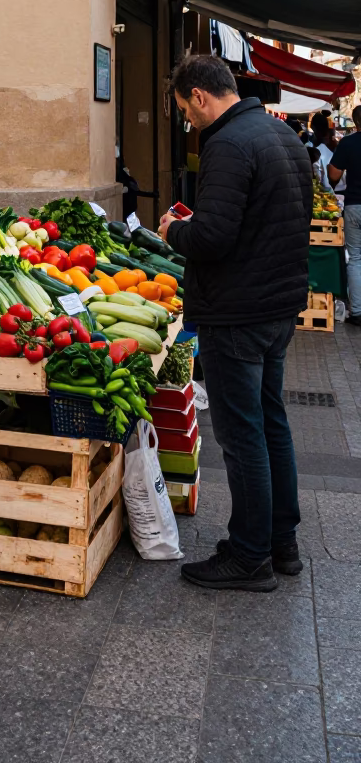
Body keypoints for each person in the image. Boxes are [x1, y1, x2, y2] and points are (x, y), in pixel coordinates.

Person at [158, 54, 312, 592]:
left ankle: (249, 556)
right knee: (272, 423)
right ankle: (281, 542)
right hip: (276, 307)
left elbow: (214, 237)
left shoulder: (226, 143)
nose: (187, 122)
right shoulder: (284, 137)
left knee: (243, 434)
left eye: (184, 111)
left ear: (199, 96)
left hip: (237, 314)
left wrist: (173, 232)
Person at [329, 104, 361, 326]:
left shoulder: (348, 143)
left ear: (355, 122)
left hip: (355, 205)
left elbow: (333, 173)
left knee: (356, 259)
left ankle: (357, 312)